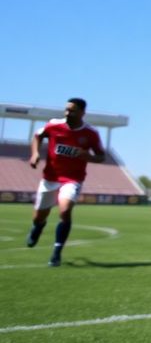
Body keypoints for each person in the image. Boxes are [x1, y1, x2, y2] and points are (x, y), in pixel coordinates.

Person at [25, 98, 106, 267]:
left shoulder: (91, 133)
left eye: (73, 110)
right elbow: (37, 136)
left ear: (83, 113)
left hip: (72, 179)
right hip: (50, 178)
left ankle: (56, 253)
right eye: (67, 110)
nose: (68, 113)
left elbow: (101, 156)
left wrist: (88, 157)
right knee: (39, 216)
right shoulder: (54, 125)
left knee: (65, 210)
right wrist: (34, 154)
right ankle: (38, 226)